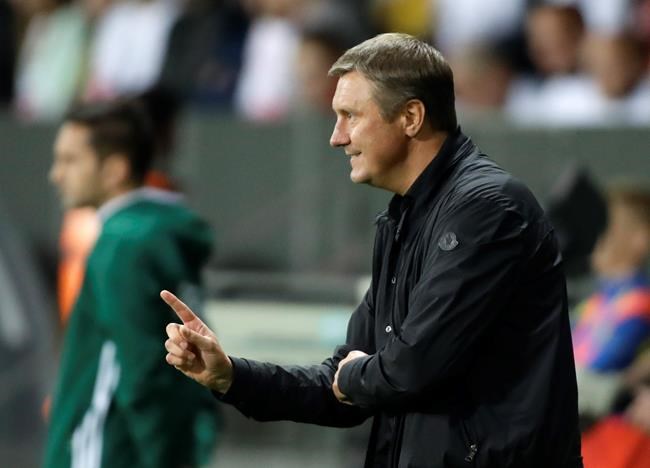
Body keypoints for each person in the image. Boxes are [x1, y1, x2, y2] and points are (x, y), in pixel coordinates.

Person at [162, 33, 582, 467]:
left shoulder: (489, 209)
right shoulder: (404, 218)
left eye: (350, 116)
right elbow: (344, 387)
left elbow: (410, 369)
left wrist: (358, 376)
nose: (336, 137)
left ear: (411, 117)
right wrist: (231, 375)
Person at [44, 99, 219, 468]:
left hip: (108, 450)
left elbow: (142, 370)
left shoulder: (123, 244)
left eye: (70, 160)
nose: (56, 175)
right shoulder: (157, 232)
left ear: (115, 169)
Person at [572, 183, 650, 418]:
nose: (592, 234)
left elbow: (596, 371)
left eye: (604, 225)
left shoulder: (639, 304)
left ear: (640, 238)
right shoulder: (593, 304)